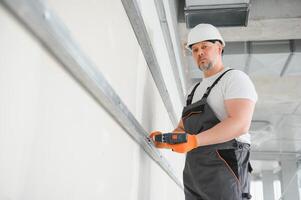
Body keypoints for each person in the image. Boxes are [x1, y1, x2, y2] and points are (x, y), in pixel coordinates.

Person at [149, 23, 257, 200]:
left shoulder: (234, 78)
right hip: (195, 169)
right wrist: (166, 140)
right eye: (195, 49)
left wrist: (195, 140)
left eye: (205, 47)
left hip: (225, 164)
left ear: (219, 47)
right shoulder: (193, 90)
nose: (200, 53)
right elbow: (183, 129)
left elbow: (240, 124)